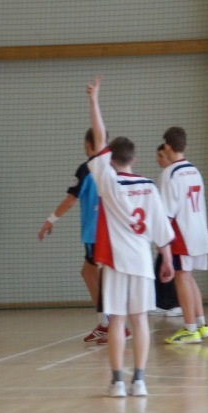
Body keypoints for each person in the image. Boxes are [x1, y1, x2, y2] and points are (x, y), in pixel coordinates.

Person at [86, 76, 175, 397]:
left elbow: (98, 139)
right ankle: (139, 380)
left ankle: (117, 383)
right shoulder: (149, 186)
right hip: (141, 261)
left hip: (115, 263)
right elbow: (161, 229)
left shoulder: (108, 182)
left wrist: (94, 100)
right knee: (140, 321)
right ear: (134, 159)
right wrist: (167, 260)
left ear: (110, 159)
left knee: (117, 321)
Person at [38, 129, 131, 344]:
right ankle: (105, 323)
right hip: (112, 232)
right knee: (89, 273)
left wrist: (51, 219)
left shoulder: (87, 168)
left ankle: (115, 326)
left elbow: (71, 200)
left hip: (95, 233)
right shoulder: (113, 167)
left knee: (100, 278)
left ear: (89, 144)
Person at [158, 127, 208, 345]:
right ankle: (201, 325)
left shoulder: (170, 173)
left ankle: (190, 328)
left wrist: (162, 241)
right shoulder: (194, 170)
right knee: (189, 278)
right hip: (199, 230)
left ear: (167, 147)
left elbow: (166, 213)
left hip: (182, 233)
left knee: (181, 278)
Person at [152, 144, 182, 317]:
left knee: (174, 268)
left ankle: (176, 303)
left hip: (174, 231)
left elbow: (169, 209)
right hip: (166, 229)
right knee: (161, 265)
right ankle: (163, 303)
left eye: (161, 156)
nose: (158, 160)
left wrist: (163, 233)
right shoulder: (165, 175)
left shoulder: (171, 176)